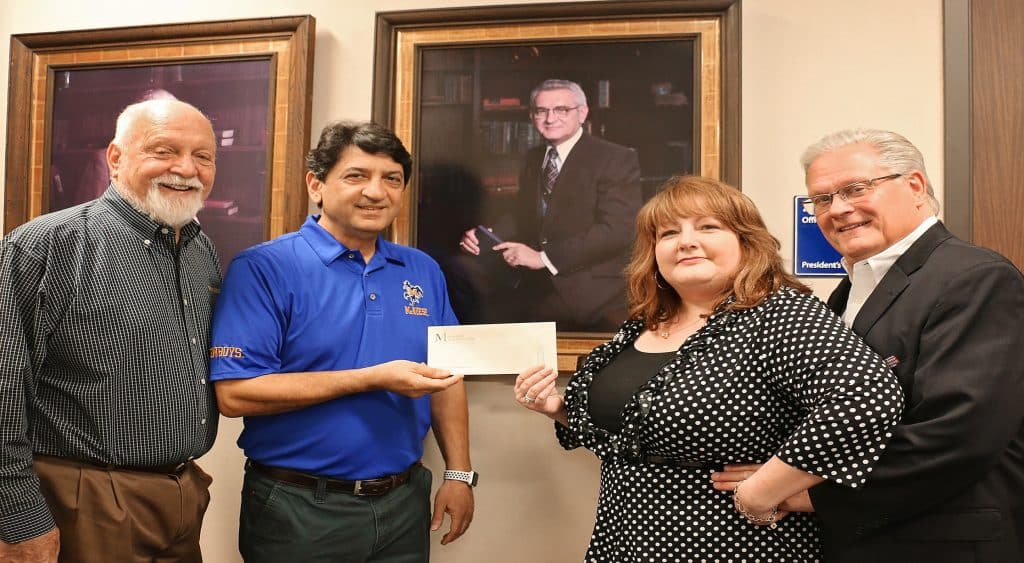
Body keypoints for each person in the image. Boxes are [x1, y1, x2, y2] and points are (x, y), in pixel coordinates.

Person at [514, 175, 905, 561]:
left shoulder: (779, 315)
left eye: (708, 227)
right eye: (668, 234)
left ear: (746, 242)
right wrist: (557, 408)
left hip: (734, 544)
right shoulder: (642, 326)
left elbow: (867, 399)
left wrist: (764, 489)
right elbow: (632, 436)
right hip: (624, 541)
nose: (685, 241)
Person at [747, 128, 1024, 561]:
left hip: (942, 542)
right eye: (821, 199)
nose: (837, 209)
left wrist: (812, 494)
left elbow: (956, 434)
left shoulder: (975, 278)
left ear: (914, 186)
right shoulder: (849, 289)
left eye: (855, 189)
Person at [209, 121, 475, 562]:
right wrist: (370, 378)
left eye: (391, 179)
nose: (376, 191)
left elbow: (447, 377)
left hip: (404, 502)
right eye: (357, 176)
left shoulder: (422, 269)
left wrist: (460, 474)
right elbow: (235, 394)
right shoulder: (264, 268)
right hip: (300, 508)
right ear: (316, 184)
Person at [0, 98, 221, 562]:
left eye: (203, 156)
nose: (186, 168)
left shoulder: (202, 252)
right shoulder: (45, 246)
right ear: (116, 158)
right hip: (84, 500)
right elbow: (3, 394)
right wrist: (18, 518)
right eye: (164, 151)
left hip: (182, 495)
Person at [459, 78, 642, 332]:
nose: (550, 118)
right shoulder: (534, 157)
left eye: (561, 110)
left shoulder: (615, 158)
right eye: (541, 111)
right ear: (532, 116)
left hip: (591, 285)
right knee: (465, 287)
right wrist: (485, 235)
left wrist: (543, 258)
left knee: (508, 320)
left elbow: (618, 231)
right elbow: (522, 215)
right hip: (538, 278)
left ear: (582, 113)